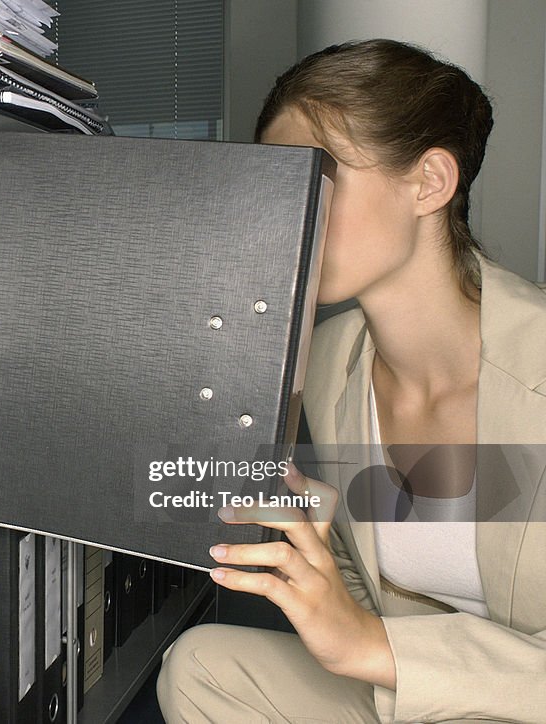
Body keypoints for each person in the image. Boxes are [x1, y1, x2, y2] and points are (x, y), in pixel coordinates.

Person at [156, 39, 546, 723]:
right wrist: (325, 554)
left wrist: (369, 645)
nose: (286, 219)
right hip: (417, 695)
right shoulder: (334, 358)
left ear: (429, 183)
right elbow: (380, 602)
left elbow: (374, 641)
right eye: (276, 190)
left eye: (316, 181)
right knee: (198, 667)